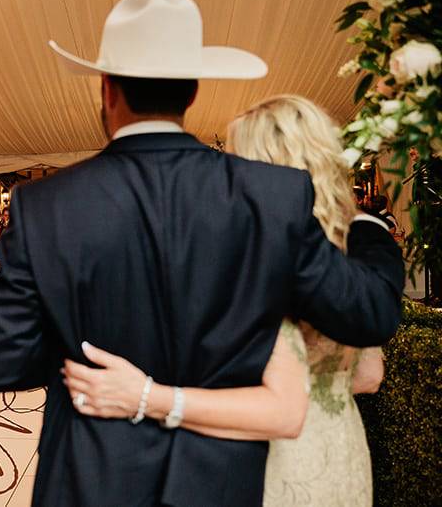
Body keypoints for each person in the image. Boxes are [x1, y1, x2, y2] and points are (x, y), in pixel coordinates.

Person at [0, 0, 404, 507]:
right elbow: (368, 315)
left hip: (91, 479)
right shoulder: (273, 196)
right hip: (217, 484)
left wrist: (76, 342)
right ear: (192, 92)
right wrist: (369, 228)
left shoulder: (44, 205)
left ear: (107, 89)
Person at [62, 95, 386, 506]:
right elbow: (368, 375)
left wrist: (149, 395)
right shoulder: (352, 248)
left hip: (270, 469)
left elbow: (283, 409)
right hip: (342, 459)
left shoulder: (259, 251)